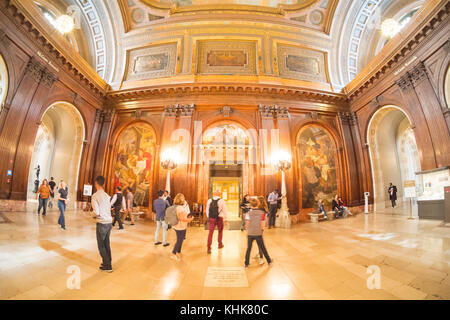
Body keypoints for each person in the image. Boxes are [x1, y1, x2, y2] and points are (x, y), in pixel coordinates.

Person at [92, 176, 113, 272]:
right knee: (106, 243)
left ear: (96, 183)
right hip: (109, 222)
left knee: (101, 245)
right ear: (103, 183)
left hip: (102, 222)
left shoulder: (95, 196)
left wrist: (91, 214)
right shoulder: (107, 196)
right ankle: (107, 262)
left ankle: (107, 265)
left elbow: (96, 212)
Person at [244, 197, 272, 268]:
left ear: (250, 205)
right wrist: (261, 229)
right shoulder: (262, 213)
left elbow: (247, 224)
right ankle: (269, 261)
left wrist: (249, 229)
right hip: (258, 233)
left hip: (250, 233)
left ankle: (246, 263)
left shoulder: (248, 213)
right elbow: (263, 224)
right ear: (258, 203)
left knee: (249, 248)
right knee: (263, 247)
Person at [171, 193, 193, 261]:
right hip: (180, 226)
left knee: (180, 239)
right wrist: (189, 220)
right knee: (179, 240)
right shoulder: (180, 208)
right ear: (181, 199)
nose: (184, 199)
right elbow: (181, 218)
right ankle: (173, 254)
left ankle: (178, 251)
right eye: (183, 198)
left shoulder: (176, 206)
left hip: (179, 226)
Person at [206, 190, 227, 254]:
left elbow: (207, 210)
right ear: (220, 194)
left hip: (212, 218)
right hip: (220, 218)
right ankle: (220, 244)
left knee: (210, 233)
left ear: (214, 194)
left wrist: (208, 217)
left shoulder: (209, 200)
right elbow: (224, 210)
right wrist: (225, 218)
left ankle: (209, 248)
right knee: (220, 231)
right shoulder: (222, 201)